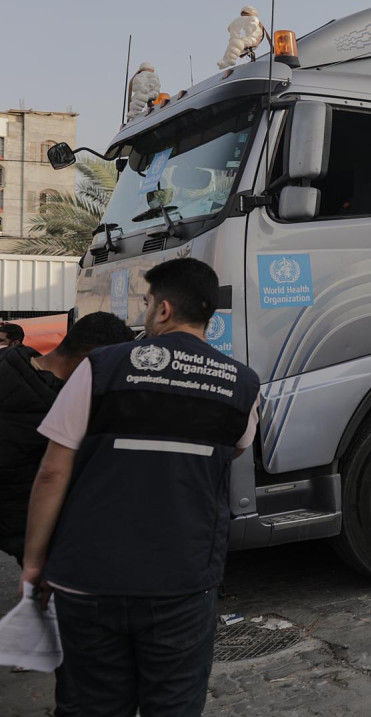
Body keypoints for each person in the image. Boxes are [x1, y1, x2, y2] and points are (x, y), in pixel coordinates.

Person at [21, 258, 260, 715]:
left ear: (165, 309)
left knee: (90, 705)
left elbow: (53, 471)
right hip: (182, 582)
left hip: (88, 578)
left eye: (147, 303)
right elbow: (234, 450)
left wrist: (34, 563)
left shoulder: (100, 367)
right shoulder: (242, 384)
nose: (144, 313)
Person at [0, 312, 134, 564]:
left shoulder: (9, 360)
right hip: (22, 521)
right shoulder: (64, 405)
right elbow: (52, 474)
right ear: (89, 357)